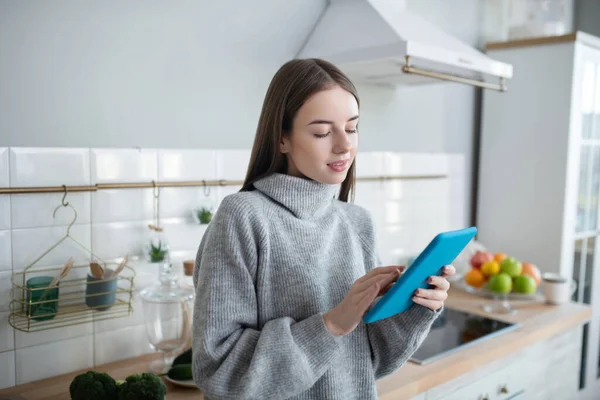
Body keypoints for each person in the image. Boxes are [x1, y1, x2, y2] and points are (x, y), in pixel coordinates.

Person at [192, 58, 455, 399]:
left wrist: (418, 308)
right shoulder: (243, 217)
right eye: (321, 132)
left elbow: (368, 361)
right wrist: (330, 325)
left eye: (352, 128)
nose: (344, 146)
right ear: (282, 138)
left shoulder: (357, 222)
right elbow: (218, 368)